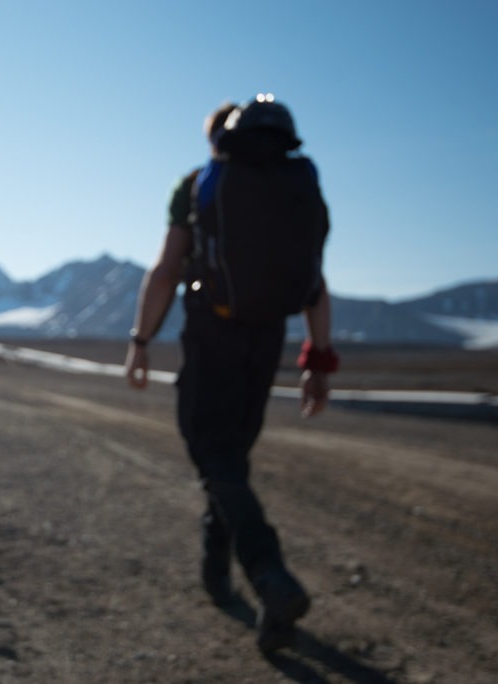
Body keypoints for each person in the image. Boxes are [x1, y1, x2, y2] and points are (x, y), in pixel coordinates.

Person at [125, 96, 338, 653]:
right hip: (268, 338)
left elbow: (168, 267)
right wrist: (317, 364)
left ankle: (269, 576)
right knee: (231, 460)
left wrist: (141, 339)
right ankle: (218, 574)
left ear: (217, 140)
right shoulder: (294, 189)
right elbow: (315, 283)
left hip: (213, 333)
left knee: (211, 453)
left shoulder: (200, 184)